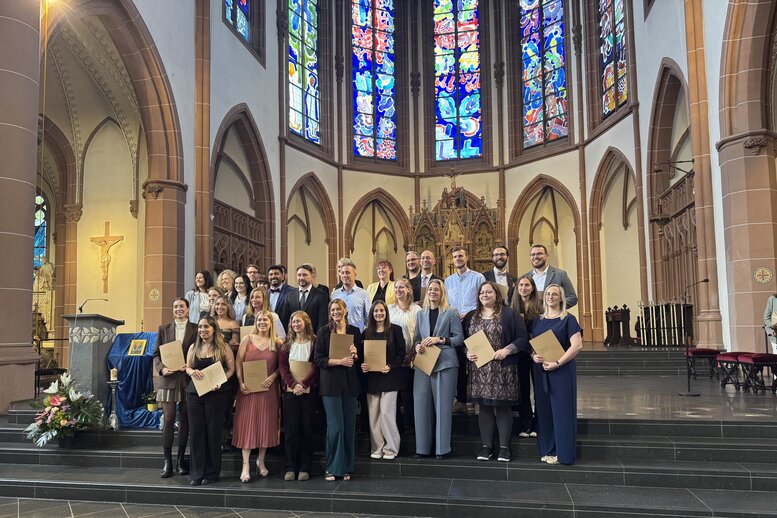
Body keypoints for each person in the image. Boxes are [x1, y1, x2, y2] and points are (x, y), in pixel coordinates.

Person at [463, 282, 528, 462]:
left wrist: (507, 350)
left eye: (488, 292)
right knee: (484, 407)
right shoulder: (471, 316)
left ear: (496, 294)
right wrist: (467, 352)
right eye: (482, 292)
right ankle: (486, 447)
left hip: (502, 369)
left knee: (502, 407)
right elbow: (464, 341)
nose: (484, 295)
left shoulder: (509, 314)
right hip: (480, 370)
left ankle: (504, 448)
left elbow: (523, 338)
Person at [531, 284, 583, 465]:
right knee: (544, 412)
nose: (550, 297)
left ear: (561, 298)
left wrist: (558, 362)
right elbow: (533, 345)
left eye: (554, 294)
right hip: (542, 370)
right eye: (548, 294)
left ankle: (563, 453)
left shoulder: (568, 319)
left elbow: (577, 345)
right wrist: (533, 355)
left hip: (561, 370)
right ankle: (549, 450)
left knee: (562, 412)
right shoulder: (538, 320)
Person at [412, 279, 463, 459]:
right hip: (424, 362)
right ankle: (422, 448)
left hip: (445, 363)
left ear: (442, 293)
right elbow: (417, 338)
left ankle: (442, 449)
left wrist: (440, 339)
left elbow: (458, 339)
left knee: (442, 407)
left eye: (436, 289)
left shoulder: (451, 312)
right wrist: (417, 346)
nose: (433, 292)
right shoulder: (420, 314)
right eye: (430, 289)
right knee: (420, 405)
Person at [313, 299, 362, 481]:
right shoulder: (323, 332)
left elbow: (359, 358)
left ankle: (346, 467)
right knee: (336, 427)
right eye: (332, 310)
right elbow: (318, 359)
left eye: (338, 309)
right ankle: (333, 467)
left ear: (345, 310)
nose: (335, 312)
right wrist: (339, 361)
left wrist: (355, 354)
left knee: (348, 427)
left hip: (350, 384)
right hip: (330, 384)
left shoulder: (354, 331)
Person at [184, 316, 235, 485]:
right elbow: (188, 367)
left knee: (213, 433)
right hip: (195, 394)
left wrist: (220, 381)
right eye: (200, 327)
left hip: (216, 394)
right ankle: (197, 473)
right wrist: (192, 372)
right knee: (196, 433)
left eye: (206, 327)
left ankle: (212, 473)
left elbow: (231, 370)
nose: (202, 330)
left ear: (214, 328)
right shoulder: (193, 347)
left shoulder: (223, 347)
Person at [232, 310, 282, 482]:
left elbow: (282, 366)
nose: (262, 323)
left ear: (271, 323)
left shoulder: (277, 342)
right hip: (248, 389)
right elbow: (238, 362)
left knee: (265, 424)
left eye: (265, 320)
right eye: (259, 320)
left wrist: (273, 376)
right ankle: (245, 465)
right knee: (247, 424)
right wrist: (240, 382)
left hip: (269, 389)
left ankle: (261, 461)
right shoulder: (247, 339)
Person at [154, 298, 196, 478]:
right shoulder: (164, 329)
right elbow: (156, 354)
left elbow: (199, 351)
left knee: (186, 420)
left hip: (187, 378)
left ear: (188, 309)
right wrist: (162, 369)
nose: (179, 309)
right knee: (169, 419)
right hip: (169, 378)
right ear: (173, 310)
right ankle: (167, 461)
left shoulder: (195, 329)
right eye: (176, 307)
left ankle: (180, 460)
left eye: (182, 306)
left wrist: (191, 365)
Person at [361, 300, 405, 460]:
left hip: (390, 377)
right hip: (372, 378)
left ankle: (391, 448)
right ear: (371, 314)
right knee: (374, 415)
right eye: (376, 311)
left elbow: (401, 353)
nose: (379, 313)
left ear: (386, 312)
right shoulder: (366, 333)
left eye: (381, 310)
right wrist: (362, 365)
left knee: (387, 413)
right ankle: (377, 447)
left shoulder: (396, 330)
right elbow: (362, 355)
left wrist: (391, 366)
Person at [444, 246, 485, 414]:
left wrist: (468, 313)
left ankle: (478, 399)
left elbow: (483, 300)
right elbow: (446, 303)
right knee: (459, 362)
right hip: (455, 324)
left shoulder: (478, 277)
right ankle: (461, 399)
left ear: (466, 257)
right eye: (455, 257)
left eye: (460, 256)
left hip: (474, 321)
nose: (458, 259)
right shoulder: (448, 281)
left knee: (477, 359)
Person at [278, 311, 319, 481]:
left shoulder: (314, 342)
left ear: (306, 322)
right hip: (291, 392)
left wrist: (304, 384)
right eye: (294, 322)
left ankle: (305, 467)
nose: (296, 324)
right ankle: (290, 466)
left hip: (308, 391)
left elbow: (316, 365)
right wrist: (293, 384)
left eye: (299, 321)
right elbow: (283, 367)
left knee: (307, 429)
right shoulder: (287, 344)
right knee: (291, 430)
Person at [511, 275, 544, 438]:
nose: (523, 288)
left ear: (532, 288)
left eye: (527, 285)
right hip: (521, 353)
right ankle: (526, 425)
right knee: (523, 390)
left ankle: (538, 425)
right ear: (517, 289)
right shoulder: (512, 309)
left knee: (539, 390)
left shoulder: (541, 308)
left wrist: (535, 351)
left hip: (538, 353)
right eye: (521, 285)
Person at [388, 277, 421, 434]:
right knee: (394, 395)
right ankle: (396, 427)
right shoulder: (389, 309)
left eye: (401, 287)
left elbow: (420, 333)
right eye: (396, 287)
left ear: (408, 290)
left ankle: (410, 427)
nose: (398, 290)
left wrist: (412, 354)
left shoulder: (416, 310)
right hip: (393, 358)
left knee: (409, 394)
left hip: (411, 357)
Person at [523, 244, 577, 309]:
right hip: (531, 315)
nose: (536, 257)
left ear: (547, 255)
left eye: (539, 254)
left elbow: (572, 298)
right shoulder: (525, 277)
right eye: (533, 254)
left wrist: (555, 306)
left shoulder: (560, 274)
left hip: (553, 314)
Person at [279, 264, 329, 332]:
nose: (301, 278)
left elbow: (322, 321)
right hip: (294, 336)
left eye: (305, 275)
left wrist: (319, 337)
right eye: (299, 275)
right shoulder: (289, 295)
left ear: (311, 276)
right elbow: (285, 320)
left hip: (313, 335)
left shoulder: (321, 295)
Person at [331, 258, 371, 332]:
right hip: (338, 334)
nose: (345, 275)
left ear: (355, 274)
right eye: (342, 273)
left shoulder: (364, 294)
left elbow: (369, 319)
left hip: (357, 335)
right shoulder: (334, 294)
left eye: (348, 272)